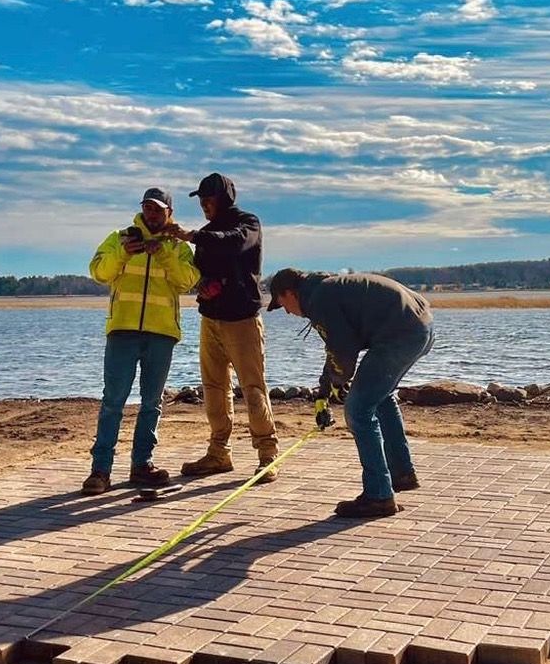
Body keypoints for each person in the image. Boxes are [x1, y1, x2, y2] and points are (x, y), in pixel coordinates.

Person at [266, 268, 434, 518]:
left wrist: (338, 382)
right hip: (421, 326)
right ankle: (402, 473)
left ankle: (379, 496)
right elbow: (337, 350)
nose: (289, 313)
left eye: (283, 305)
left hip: (401, 333)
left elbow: (342, 354)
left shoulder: (320, 298)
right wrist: (325, 391)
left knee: (358, 411)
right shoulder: (327, 290)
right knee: (380, 397)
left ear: (289, 293)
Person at [81, 187, 200, 494]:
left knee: (152, 403)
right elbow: (98, 272)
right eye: (147, 208)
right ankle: (100, 471)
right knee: (113, 402)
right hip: (122, 330)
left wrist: (162, 254)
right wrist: (124, 252)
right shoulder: (118, 237)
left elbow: (188, 281)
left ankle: (142, 465)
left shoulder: (179, 245)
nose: (152, 214)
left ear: (169, 213)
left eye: (158, 209)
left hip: (162, 334)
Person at [164, 173, 279, 482]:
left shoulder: (248, 223)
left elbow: (235, 243)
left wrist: (189, 236)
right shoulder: (205, 233)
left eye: (208, 199)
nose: (203, 204)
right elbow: (201, 271)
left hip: (242, 320)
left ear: (224, 198)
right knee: (214, 389)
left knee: (252, 388)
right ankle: (218, 453)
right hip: (210, 319)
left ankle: (267, 454)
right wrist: (204, 286)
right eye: (201, 200)